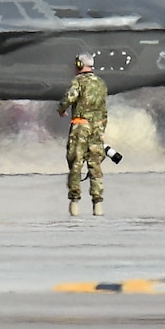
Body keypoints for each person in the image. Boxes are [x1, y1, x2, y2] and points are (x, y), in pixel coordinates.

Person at [58, 54, 109, 216]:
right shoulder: (101, 83)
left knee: (76, 163)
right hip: (97, 128)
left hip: (80, 127)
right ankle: (98, 204)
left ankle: (74, 203)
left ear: (80, 64)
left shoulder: (78, 81)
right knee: (95, 165)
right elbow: (104, 109)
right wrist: (101, 127)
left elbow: (69, 97)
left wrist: (61, 109)